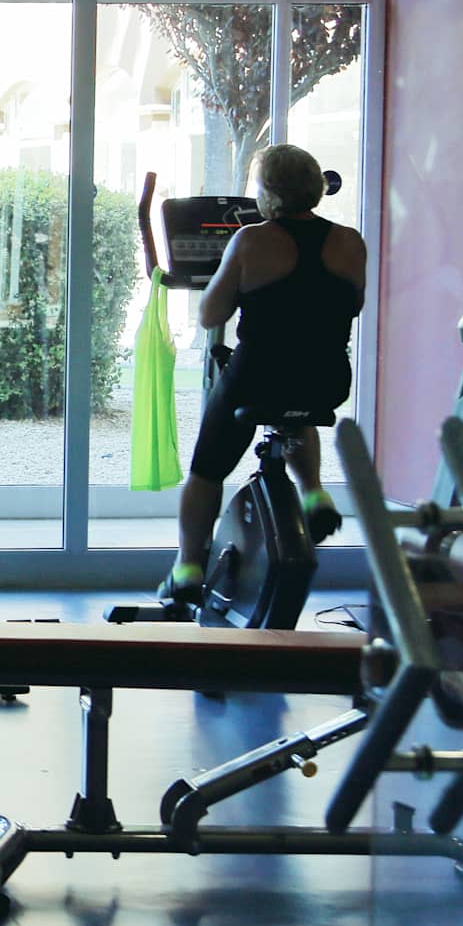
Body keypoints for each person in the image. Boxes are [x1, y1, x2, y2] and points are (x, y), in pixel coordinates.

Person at [166, 143, 367, 603]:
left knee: (207, 469)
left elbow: (211, 315)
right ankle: (314, 494)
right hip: (327, 379)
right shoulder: (350, 241)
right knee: (296, 401)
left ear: (268, 192)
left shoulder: (251, 240)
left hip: (256, 379)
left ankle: (187, 568)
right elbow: (352, 305)